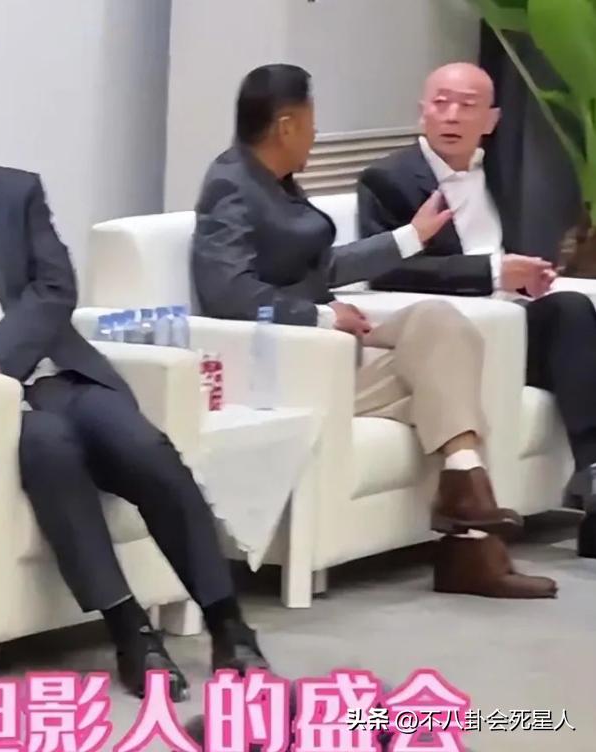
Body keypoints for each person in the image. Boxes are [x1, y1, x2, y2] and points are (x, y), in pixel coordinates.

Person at [0, 68, 267, 702]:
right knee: (49, 450)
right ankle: (131, 632)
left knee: (145, 448)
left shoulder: (16, 193)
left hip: (52, 373)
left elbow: (55, 287)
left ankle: (229, 626)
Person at [191, 63, 557, 599]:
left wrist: (411, 237)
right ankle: (473, 542)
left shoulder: (275, 183)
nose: (316, 133)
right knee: (446, 383)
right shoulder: (231, 185)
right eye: (311, 121)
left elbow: (320, 266)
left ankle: (465, 490)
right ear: (287, 126)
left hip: (329, 351)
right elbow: (227, 292)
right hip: (289, 365)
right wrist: (322, 317)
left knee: (439, 326)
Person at [357, 62, 596, 559]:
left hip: (512, 325)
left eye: (467, 106)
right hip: (451, 336)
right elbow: (389, 270)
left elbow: (515, 255)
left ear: (491, 120)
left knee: (573, 311)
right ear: (421, 112)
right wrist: (490, 273)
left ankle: (594, 475)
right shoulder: (387, 180)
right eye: (441, 103)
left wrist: (527, 275)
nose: (451, 116)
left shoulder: (504, 178)